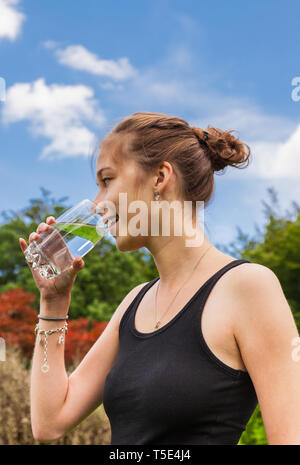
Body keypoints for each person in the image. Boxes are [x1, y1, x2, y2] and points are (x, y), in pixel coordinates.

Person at [19, 112, 300, 445]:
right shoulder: (134, 304)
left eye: (107, 181)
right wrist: (53, 302)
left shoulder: (249, 287)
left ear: (160, 177)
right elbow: (50, 423)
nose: (96, 205)